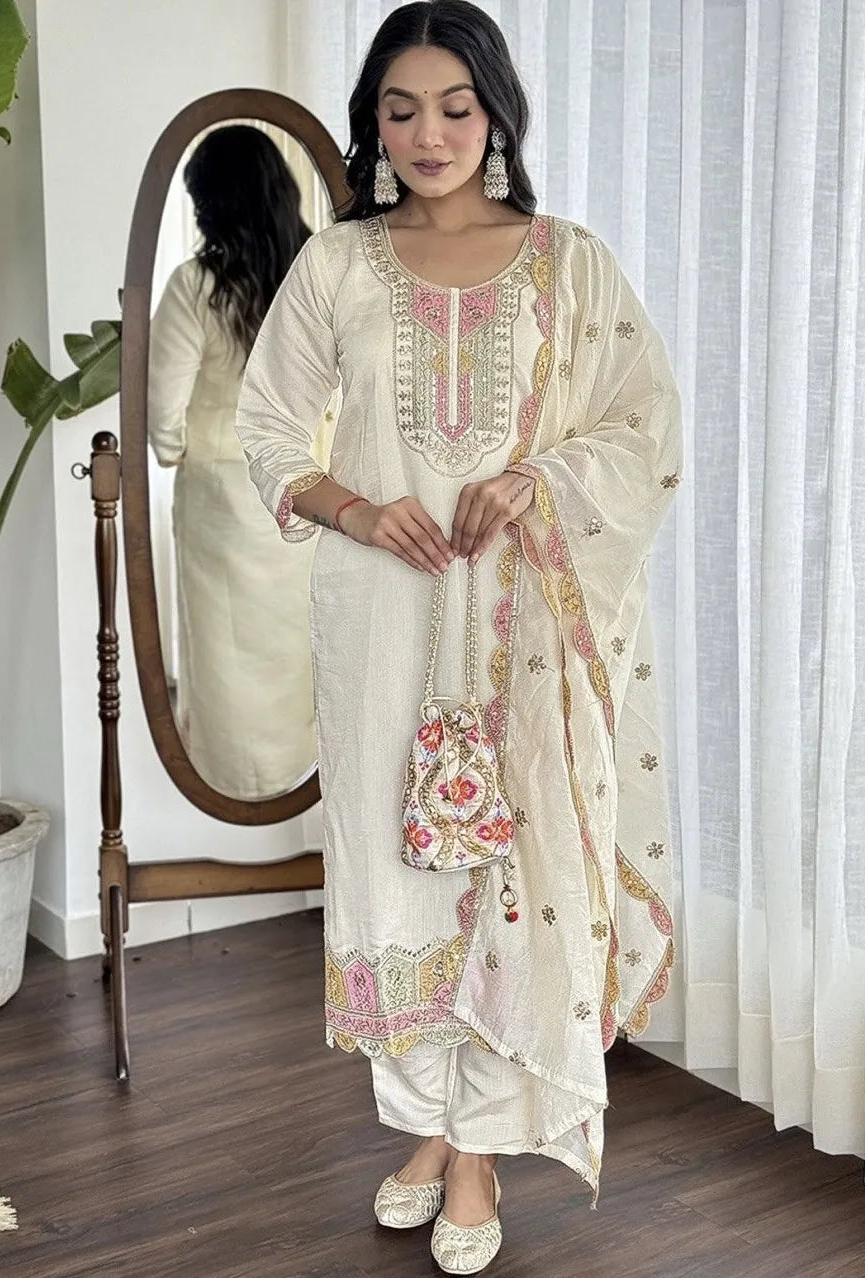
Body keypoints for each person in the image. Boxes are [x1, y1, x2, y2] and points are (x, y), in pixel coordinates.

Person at [236, 2, 682, 1271]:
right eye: (398, 109)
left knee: (503, 862)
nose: (426, 133)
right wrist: (360, 507)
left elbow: (644, 429)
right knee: (398, 864)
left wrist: (534, 481)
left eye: (452, 105)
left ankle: (475, 1150)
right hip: (378, 615)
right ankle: (430, 1124)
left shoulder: (567, 262)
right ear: (371, 126)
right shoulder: (337, 266)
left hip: (520, 617)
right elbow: (268, 430)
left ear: (495, 113)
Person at [149, 125, 332, 798]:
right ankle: (306, 792)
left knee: (231, 663)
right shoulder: (321, 273)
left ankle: (239, 787)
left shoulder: (194, 286)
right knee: (302, 656)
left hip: (224, 502)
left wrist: (179, 454)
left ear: (209, 203)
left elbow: (162, 415)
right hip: (311, 495)